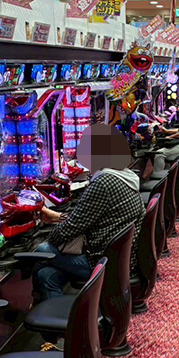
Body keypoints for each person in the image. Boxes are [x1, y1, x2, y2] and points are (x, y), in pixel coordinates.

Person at [34, 124, 145, 302]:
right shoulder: (124, 175)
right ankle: (63, 316)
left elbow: (68, 230)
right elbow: (92, 217)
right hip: (122, 258)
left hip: (102, 261)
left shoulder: (103, 182)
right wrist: (58, 217)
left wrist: (50, 232)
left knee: (41, 250)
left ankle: (30, 303)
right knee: (47, 274)